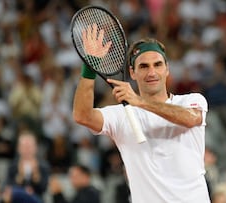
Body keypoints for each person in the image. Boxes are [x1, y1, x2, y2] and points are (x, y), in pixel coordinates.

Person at [73, 25, 210, 202]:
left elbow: (191, 119)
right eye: (144, 66)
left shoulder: (192, 100)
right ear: (132, 72)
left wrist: (139, 102)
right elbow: (82, 115)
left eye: (158, 65)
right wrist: (89, 67)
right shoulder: (121, 115)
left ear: (167, 69)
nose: (152, 72)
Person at [5, 131, 50, 201]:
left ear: (36, 147)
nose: (27, 149)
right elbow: (8, 187)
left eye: (29, 146)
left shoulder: (43, 166)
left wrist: (36, 176)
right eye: (24, 146)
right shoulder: (12, 166)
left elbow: (45, 188)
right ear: (18, 148)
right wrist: (20, 177)